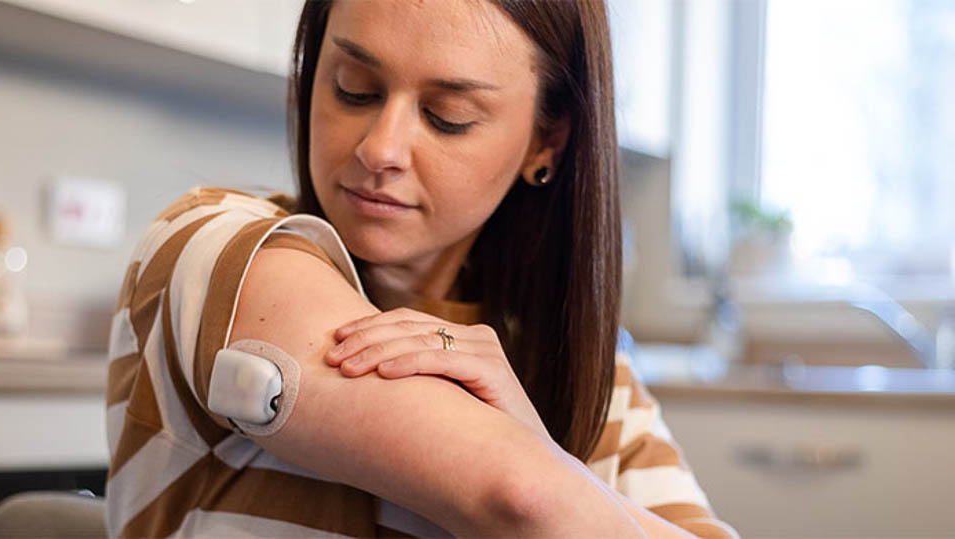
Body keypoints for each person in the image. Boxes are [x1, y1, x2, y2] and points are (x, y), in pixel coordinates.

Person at [104, 0, 738, 537]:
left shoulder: (595, 376)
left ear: (547, 143)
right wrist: (542, 470)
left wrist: (544, 457)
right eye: (353, 86)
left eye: (448, 118)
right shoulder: (216, 247)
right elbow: (519, 496)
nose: (380, 148)